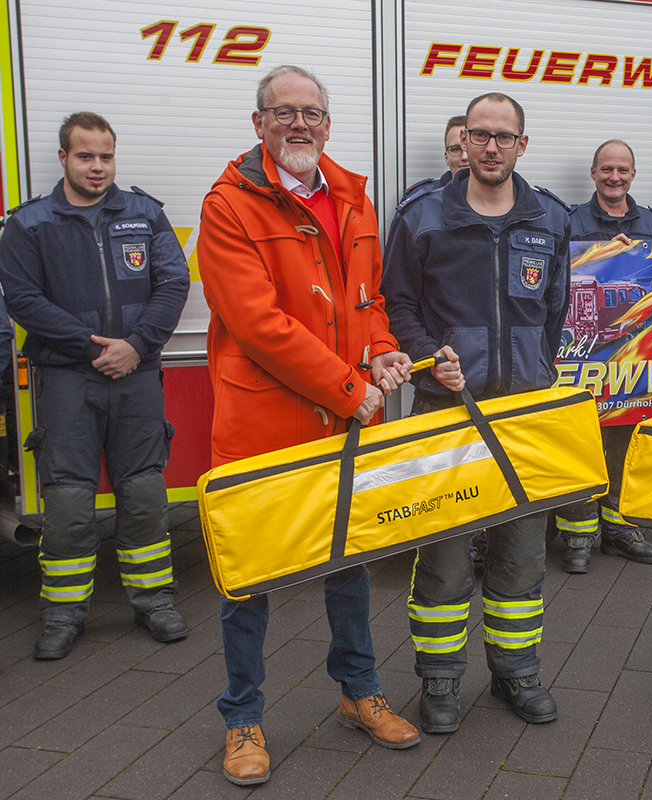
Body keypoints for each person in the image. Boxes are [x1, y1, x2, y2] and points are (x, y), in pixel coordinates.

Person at [197, 65, 420, 786]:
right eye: (285, 112)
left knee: (348, 564)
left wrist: (381, 349)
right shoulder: (228, 205)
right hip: (264, 421)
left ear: (328, 123)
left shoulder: (351, 195)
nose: (301, 124)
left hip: (343, 419)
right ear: (258, 122)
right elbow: (257, 325)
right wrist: (350, 386)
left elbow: (369, 297)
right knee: (249, 579)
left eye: (313, 113)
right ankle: (242, 719)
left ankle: (358, 693)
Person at [383, 91, 570, 734]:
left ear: (523, 142)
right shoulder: (423, 216)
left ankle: (515, 674)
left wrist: (531, 372)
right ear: (463, 143)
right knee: (444, 553)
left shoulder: (550, 219)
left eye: (504, 136)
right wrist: (428, 355)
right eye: (480, 136)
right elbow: (398, 303)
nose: (491, 147)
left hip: (524, 414)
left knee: (522, 552)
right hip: (445, 407)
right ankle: (438, 681)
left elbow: (554, 309)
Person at [0, 112, 190, 661]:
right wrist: (94, 347)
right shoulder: (30, 224)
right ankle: (63, 612)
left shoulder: (143, 214)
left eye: (106, 156)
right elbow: (23, 301)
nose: (97, 167)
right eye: (85, 156)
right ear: (63, 158)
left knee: (144, 492)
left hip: (137, 373)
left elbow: (173, 282)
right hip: (66, 379)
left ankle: (154, 600)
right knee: (67, 498)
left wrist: (135, 345)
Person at [556, 139, 652, 573]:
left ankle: (620, 528)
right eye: (606, 169)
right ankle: (578, 533)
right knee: (579, 442)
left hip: (635, 354)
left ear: (633, 174)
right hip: (582, 351)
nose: (614, 177)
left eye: (622, 169)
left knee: (624, 442)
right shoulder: (568, 223)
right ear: (593, 173)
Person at [403, 115, 469, 198]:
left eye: (469, 148)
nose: (464, 157)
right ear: (446, 158)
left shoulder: (490, 201)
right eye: (455, 149)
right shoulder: (422, 201)